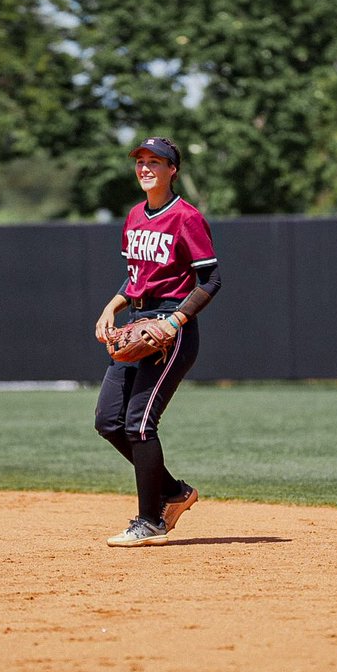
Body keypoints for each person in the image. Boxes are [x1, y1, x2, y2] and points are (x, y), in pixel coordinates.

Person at [94, 136, 222, 547]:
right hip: (136, 323)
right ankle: (174, 492)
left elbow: (211, 280)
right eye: (141, 161)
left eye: (155, 161)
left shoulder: (186, 217)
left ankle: (150, 521)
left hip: (170, 330)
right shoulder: (135, 215)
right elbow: (136, 278)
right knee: (109, 422)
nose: (145, 168)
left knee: (139, 422)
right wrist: (111, 307)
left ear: (173, 170)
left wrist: (175, 320)